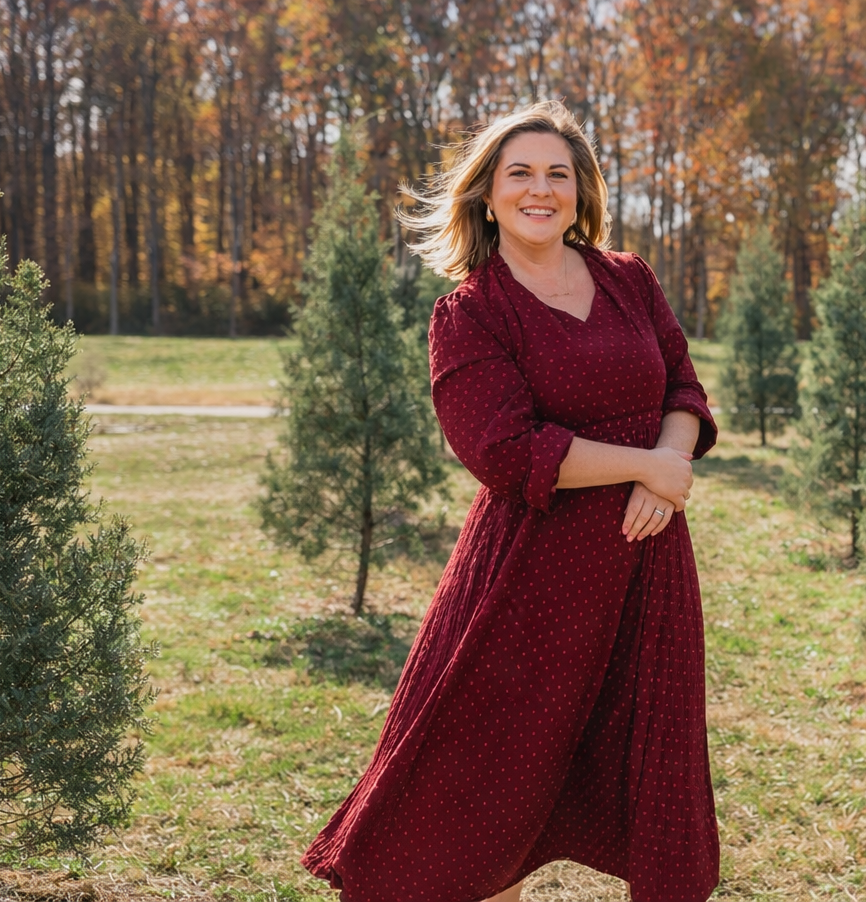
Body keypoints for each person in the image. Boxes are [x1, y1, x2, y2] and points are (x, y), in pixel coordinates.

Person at [300, 100, 720, 902]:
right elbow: (503, 451)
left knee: (644, 769)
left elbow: (682, 384)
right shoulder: (470, 312)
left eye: (557, 174)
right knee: (488, 795)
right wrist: (649, 465)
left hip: (645, 568)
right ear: (486, 194)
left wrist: (669, 460)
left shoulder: (629, 279)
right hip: (530, 581)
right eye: (519, 173)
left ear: (581, 190)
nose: (540, 189)